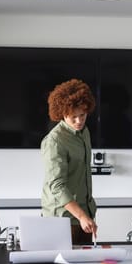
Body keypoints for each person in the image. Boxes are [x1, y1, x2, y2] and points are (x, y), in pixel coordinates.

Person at [40, 79, 98, 245]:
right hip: (62, 218)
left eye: (82, 115)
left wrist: (85, 214)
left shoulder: (84, 132)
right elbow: (57, 186)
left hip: (84, 214)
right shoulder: (54, 141)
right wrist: (81, 216)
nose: (79, 121)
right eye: (73, 117)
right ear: (62, 113)